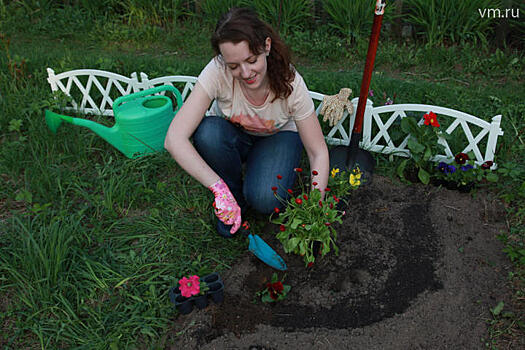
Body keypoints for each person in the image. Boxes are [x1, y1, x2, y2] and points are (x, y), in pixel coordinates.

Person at [164, 7, 329, 238]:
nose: (245, 72)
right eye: (234, 66)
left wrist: (316, 207)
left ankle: (259, 171)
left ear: (266, 46)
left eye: (251, 60)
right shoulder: (216, 71)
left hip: (278, 137)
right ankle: (231, 191)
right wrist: (217, 189)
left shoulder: (291, 83)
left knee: (264, 200)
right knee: (208, 133)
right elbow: (174, 139)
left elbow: (317, 151)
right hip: (235, 135)